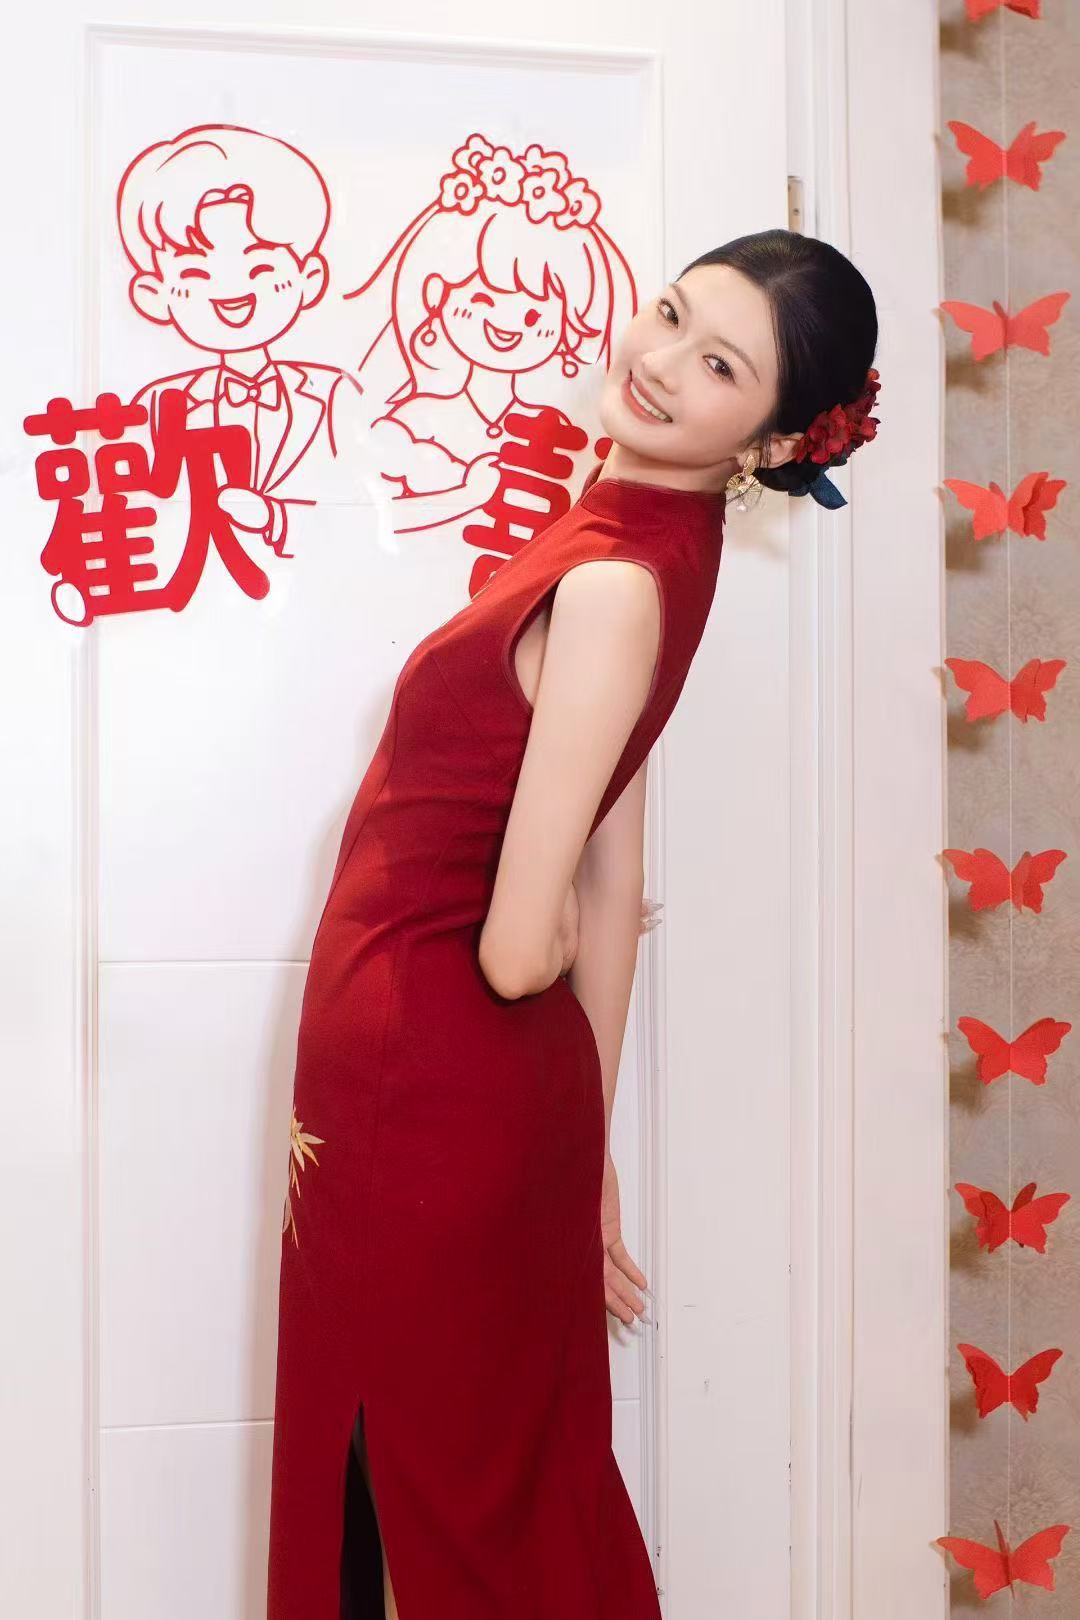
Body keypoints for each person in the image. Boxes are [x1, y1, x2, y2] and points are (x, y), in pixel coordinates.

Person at [266, 227, 881, 1618]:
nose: (658, 362)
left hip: (426, 1080)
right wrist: (582, 1146)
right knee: (480, 1469)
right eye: (670, 315)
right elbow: (615, 861)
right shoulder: (649, 543)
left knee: (424, 1483)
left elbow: (519, 946)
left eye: (719, 366)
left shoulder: (612, 581)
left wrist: (524, 984)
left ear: (775, 441)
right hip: (466, 1096)